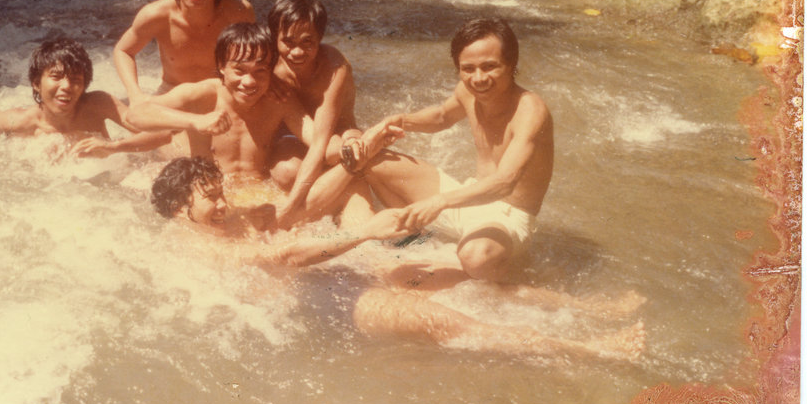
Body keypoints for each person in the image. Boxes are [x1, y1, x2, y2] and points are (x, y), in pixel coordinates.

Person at [149, 155, 645, 362]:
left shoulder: (227, 217)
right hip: (319, 305)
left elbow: (292, 217)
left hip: (335, 274)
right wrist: (366, 232)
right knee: (443, 321)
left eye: (220, 193)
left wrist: (349, 177)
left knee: (454, 274)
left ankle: (591, 310)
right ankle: (593, 349)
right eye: (210, 199)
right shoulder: (199, 248)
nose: (222, 204)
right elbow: (290, 258)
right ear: (178, 209)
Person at [345, 16, 554, 284]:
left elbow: (505, 183)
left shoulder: (530, 110)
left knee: (477, 257)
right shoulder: (468, 92)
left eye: (490, 67)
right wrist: (394, 122)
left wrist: (439, 201)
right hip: (468, 197)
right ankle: (417, 236)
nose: (478, 78)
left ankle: (506, 279)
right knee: (375, 163)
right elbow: (441, 116)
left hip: (509, 217)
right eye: (468, 69)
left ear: (511, 64)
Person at [126, 22, 382, 227]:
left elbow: (319, 141)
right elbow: (135, 115)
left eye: (260, 71)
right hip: (215, 199)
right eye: (239, 70)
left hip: (259, 196)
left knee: (342, 189)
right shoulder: (203, 95)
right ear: (221, 67)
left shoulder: (277, 98)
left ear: (270, 71)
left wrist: (354, 143)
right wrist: (196, 121)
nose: (249, 82)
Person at [0, 37, 169, 157]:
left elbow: (163, 132)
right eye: (56, 77)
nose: (66, 87)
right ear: (36, 83)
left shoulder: (99, 104)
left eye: (75, 80)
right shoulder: (23, 121)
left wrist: (113, 147)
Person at [113, 0, 255, 105]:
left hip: (221, 93)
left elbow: (260, 56)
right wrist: (135, 94)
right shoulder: (157, 15)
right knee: (136, 125)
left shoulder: (238, 12)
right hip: (171, 93)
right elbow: (123, 51)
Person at [266, 0, 362, 222]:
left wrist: (289, 207)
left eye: (307, 42)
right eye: (288, 42)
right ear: (274, 38)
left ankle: (345, 195)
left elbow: (320, 142)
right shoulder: (267, 61)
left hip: (334, 133)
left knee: (338, 150)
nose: (297, 52)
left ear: (320, 38)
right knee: (286, 173)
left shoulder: (334, 67)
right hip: (293, 134)